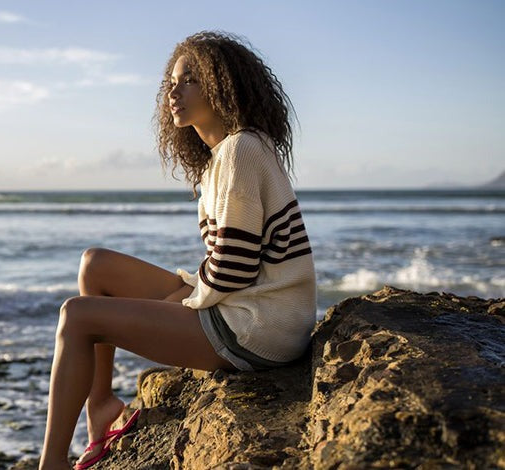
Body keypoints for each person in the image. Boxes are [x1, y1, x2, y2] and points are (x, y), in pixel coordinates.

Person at [37, 31, 317, 470]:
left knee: (78, 316)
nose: (174, 91)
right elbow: (232, 265)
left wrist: (184, 301)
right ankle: (101, 407)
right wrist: (188, 296)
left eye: (189, 80)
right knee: (95, 265)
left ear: (224, 85)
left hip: (258, 327)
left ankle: (50, 463)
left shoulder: (242, 150)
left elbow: (235, 271)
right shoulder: (221, 157)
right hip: (245, 306)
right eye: (171, 81)